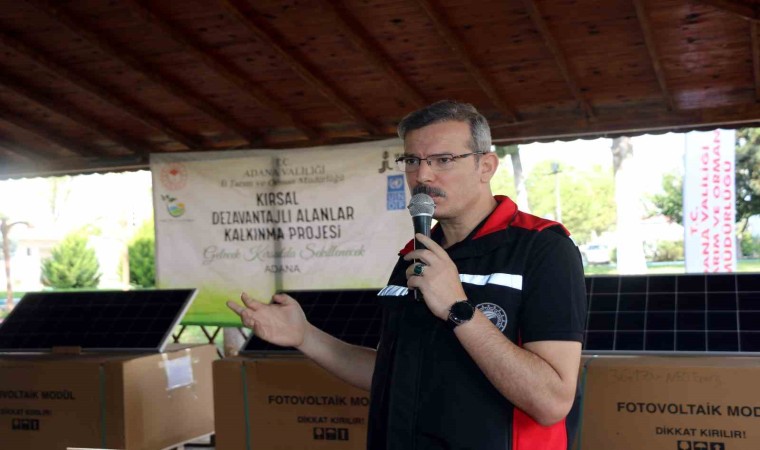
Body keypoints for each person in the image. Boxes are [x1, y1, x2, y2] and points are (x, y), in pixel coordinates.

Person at [227, 100, 587, 450]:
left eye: (443, 160)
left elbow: (552, 402)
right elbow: (394, 375)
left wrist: (457, 308)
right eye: (412, 160)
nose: (422, 175)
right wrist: (304, 336)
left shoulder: (543, 249)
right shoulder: (415, 256)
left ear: (486, 166)